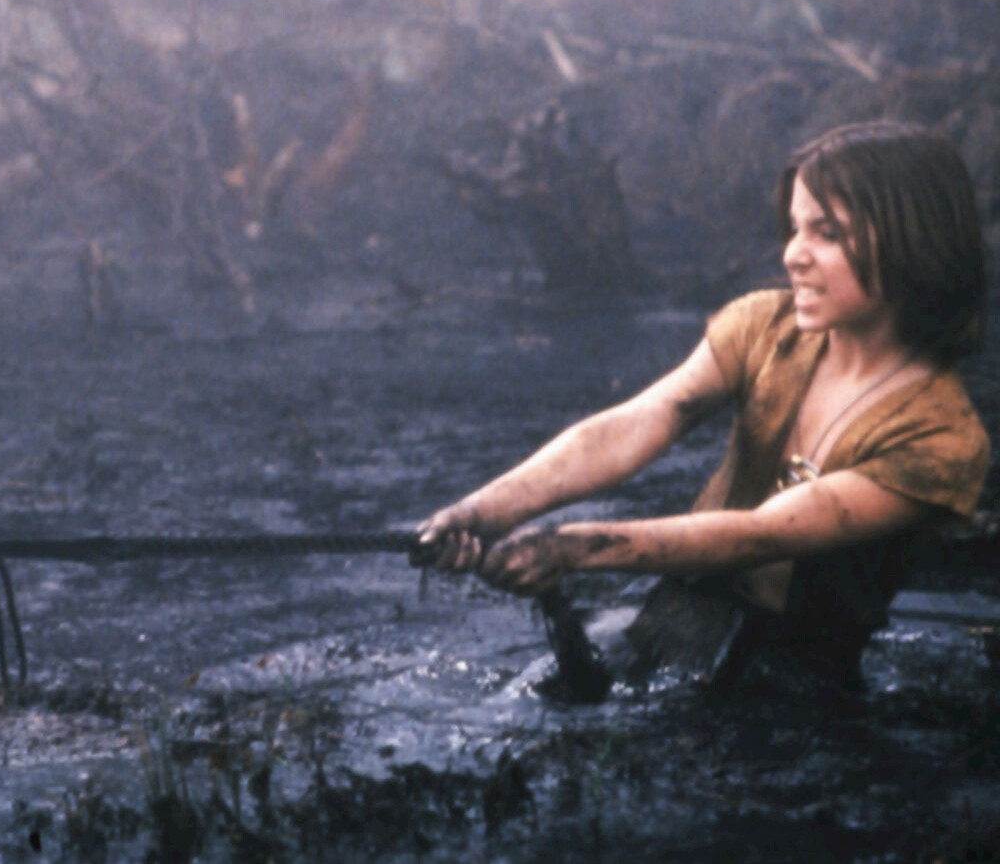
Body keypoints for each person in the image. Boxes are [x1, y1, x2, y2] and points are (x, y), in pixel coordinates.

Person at [415, 120, 991, 695]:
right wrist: (481, 512)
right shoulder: (766, 327)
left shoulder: (941, 440)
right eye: (795, 229)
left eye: (827, 233)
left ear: (911, 242)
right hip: (675, 618)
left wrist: (571, 548)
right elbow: (632, 425)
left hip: (798, 687)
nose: (793, 255)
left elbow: (763, 535)